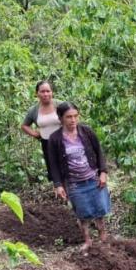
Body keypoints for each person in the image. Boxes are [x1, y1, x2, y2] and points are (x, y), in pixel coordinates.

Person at [47, 102, 110, 252]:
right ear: (61, 118)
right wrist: (58, 185)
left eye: (75, 116)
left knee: (100, 210)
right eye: (69, 117)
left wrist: (103, 172)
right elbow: (53, 164)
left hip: (93, 178)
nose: (73, 120)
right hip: (74, 183)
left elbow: (99, 151)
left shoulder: (86, 132)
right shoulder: (55, 139)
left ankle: (103, 236)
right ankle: (88, 240)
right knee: (82, 213)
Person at [21, 80, 61, 182]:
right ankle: (58, 189)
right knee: (53, 170)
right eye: (42, 91)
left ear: (52, 92)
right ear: (37, 93)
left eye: (48, 91)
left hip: (64, 141)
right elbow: (24, 125)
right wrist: (35, 134)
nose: (45, 94)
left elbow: (72, 116)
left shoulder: (60, 105)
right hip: (47, 144)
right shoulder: (34, 110)